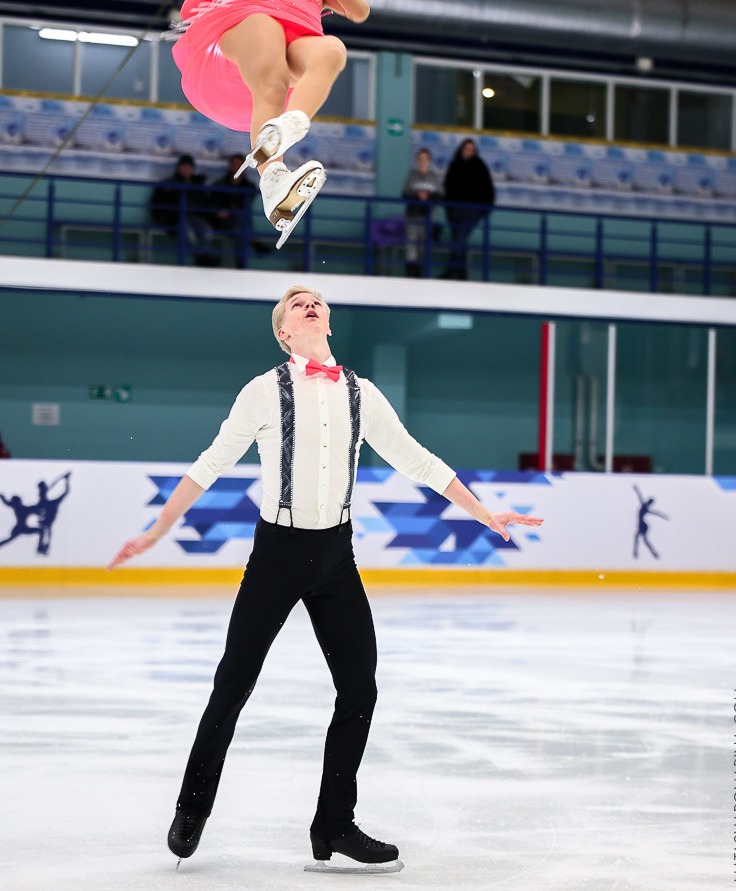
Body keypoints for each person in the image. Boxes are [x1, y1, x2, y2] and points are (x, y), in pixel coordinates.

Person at [108, 284, 543, 873]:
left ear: (328, 323)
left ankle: (333, 824)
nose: (308, 303)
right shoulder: (263, 392)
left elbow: (416, 459)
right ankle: (192, 808)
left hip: (337, 556)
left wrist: (485, 512)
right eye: (295, 303)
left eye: (316, 300)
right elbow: (211, 463)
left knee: (360, 687)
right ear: (283, 331)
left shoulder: (362, 394)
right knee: (233, 684)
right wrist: (159, 528)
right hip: (277, 553)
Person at [171, 0, 370, 244]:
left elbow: (359, 11)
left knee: (332, 50)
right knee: (268, 45)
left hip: (293, 41)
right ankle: (272, 171)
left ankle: (285, 146)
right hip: (241, 37)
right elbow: (190, 9)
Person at [149, 154, 220, 267]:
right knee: (187, 230)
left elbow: (205, 203)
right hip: (176, 218)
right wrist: (163, 218)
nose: (186, 169)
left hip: (195, 217)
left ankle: (200, 257)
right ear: (178, 167)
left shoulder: (197, 185)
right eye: (184, 166)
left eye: (189, 167)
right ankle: (201, 258)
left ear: (193, 169)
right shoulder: (168, 184)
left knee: (207, 229)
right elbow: (156, 204)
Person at [442, 138, 495, 280]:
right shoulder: (454, 165)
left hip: (472, 209)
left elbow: (488, 189)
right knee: (458, 240)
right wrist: (448, 208)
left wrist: (485, 209)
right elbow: (447, 187)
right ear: (461, 149)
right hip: (455, 210)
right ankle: (461, 274)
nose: (469, 152)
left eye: (472, 149)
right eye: (466, 149)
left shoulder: (480, 166)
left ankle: (453, 272)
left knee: (460, 238)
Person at [209, 154, 270, 267]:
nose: (236, 167)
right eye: (234, 164)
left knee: (240, 223)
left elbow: (245, 206)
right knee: (241, 223)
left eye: (239, 165)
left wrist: (231, 211)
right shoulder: (219, 185)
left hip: (239, 222)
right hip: (223, 222)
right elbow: (213, 205)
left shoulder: (249, 187)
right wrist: (219, 211)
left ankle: (242, 256)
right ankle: (252, 244)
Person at [401, 148, 443, 278]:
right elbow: (404, 195)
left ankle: (421, 274)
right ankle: (411, 273)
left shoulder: (434, 178)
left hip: (428, 216)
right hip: (412, 215)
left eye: (425, 158)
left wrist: (428, 197)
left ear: (429, 160)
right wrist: (417, 195)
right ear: (417, 160)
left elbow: (440, 196)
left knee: (423, 247)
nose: (422, 161)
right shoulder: (411, 176)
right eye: (420, 158)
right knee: (411, 244)